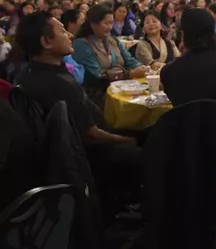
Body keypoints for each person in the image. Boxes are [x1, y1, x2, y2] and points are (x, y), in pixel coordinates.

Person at [15, 12, 141, 212]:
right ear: (47, 41)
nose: (70, 35)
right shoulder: (57, 84)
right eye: (63, 31)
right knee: (147, 148)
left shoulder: (29, 72)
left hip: (63, 156)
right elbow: (90, 135)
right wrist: (129, 141)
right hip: (87, 157)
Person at [72, 4, 146, 102]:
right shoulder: (81, 44)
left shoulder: (113, 40)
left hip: (121, 89)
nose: (110, 27)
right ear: (93, 23)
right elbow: (97, 76)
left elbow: (129, 60)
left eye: (112, 23)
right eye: (106, 23)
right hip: (97, 95)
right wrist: (130, 73)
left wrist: (143, 68)